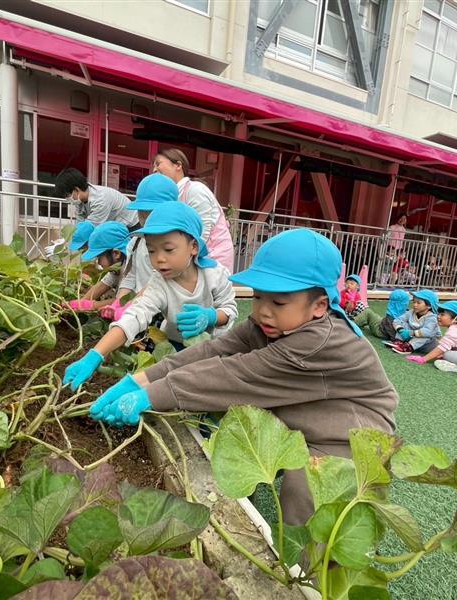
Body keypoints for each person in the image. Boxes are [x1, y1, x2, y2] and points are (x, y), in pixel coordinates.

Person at [85, 228, 399, 526]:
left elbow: (235, 375)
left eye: (278, 302)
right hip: (307, 412)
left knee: (304, 488)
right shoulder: (272, 323)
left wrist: (151, 396)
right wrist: (140, 380)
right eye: (259, 297)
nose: (263, 311)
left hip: (352, 436)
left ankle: (311, 562)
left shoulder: (319, 342)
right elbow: (214, 351)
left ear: (319, 306)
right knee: (243, 431)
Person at [63, 202, 237, 389]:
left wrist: (211, 317)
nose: (159, 258)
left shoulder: (215, 274)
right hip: (174, 346)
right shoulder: (159, 283)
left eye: (168, 250)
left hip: (213, 350)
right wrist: (95, 355)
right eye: (151, 251)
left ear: (193, 246)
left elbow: (229, 310)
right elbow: (134, 316)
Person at [101, 173, 178, 321]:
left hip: (164, 314)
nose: (144, 217)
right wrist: (119, 303)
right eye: (141, 211)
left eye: (150, 212)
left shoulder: (175, 245)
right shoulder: (136, 241)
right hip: (140, 311)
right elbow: (130, 277)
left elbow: (158, 282)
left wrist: (130, 306)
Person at [152, 148, 234, 272]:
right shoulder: (173, 196)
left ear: (178, 165)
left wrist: (184, 260)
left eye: (158, 164)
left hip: (212, 258)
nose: (154, 170)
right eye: (153, 166)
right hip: (191, 258)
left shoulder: (195, 190)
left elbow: (203, 232)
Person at [67, 222, 130, 312]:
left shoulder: (133, 267)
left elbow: (126, 301)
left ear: (116, 253)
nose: (99, 262)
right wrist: (80, 303)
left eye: (99, 257)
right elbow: (105, 283)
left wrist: (92, 305)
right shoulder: (118, 264)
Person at [54, 168, 138, 228]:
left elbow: (90, 228)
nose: (67, 199)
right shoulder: (80, 202)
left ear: (76, 189)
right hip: (116, 224)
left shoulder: (100, 199)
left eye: (67, 195)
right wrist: (68, 240)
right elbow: (80, 225)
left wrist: (71, 242)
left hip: (132, 224)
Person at [385, 289, 440, 355]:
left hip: (428, 343)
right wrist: (401, 330)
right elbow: (397, 320)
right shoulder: (411, 312)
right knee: (403, 324)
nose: (415, 305)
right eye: (414, 302)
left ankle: (408, 348)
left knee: (425, 335)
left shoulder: (432, 317)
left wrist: (411, 333)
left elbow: (428, 331)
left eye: (418, 303)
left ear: (429, 306)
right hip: (413, 336)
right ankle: (399, 342)